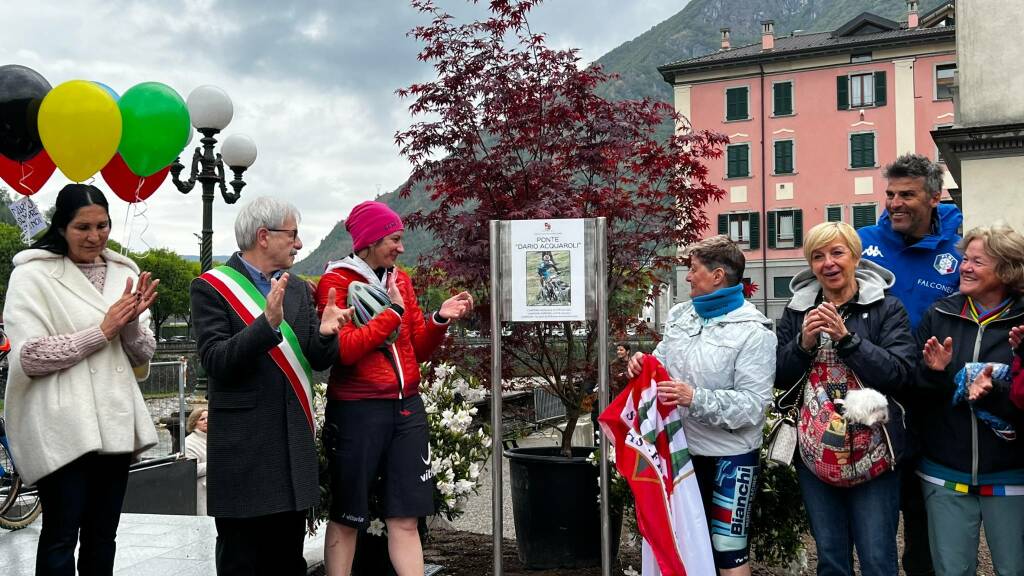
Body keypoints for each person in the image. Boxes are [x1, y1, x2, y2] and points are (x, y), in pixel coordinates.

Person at [3, 183, 160, 575]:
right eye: (83, 227)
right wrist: (103, 331)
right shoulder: (32, 275)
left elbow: (143, 355)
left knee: (103, 533)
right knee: (60, 532)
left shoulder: (126, 271)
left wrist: (129, 327)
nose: (95, 236)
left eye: (102, 225)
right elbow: (31, 356)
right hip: (61, 424)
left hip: (114, 421)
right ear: (61, 227)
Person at [190, 197, 351, 576]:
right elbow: (216, 361)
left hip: (292, 451)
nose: (298, 244)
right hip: (244, 451)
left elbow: (315, 358)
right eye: (292, 235)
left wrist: (327, 333)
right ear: (264, 236)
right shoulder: (211, 288)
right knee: (241, 561)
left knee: (287, 561)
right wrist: (266, 325)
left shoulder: (295, 289)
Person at [316, 200, 473, 576]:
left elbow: (416, 345)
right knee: (348, 515)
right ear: (370, 240)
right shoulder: (336, 283)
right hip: (357, 411)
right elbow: (346, 351)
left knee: (406, 517)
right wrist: (392, 315)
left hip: (406, 408)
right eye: (395, 239)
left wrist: (438, 319)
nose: (401, 248)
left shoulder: (400, 278)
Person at [627, 235, 776, 576]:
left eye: (694, 270)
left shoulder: (756, 332)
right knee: (681, 547)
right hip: (680, 455)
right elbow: (661, 363)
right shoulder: (681, 315)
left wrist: (695, 398)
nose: (689, 277)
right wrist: (642, 363)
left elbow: (753, 406)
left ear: (718, 275)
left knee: (729, 552)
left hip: (731, 458)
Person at [775, 221, 915, 576]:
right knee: (832, 560)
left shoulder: (887, 308)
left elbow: (900, 374)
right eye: (818, 256)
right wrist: (802, 345)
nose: (828, 263)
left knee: (877, 559)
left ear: (855, 256)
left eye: (837, 253)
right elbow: (778, 375)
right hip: (815, 456)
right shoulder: (797, 309)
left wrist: (847, 339)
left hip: (875, 454)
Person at [857, 153, 962, 576]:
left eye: (907, 195)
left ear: (935, 198)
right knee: (876, 513)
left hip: (933, 401)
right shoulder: (863, 243)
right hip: (875, 400)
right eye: (890, 194)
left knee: (924, 516)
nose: (895, 203)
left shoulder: (957, 251)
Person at [914, 224, 1024, 576]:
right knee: (951, 570)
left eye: (977, 261)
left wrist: (993, 393)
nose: (965, 267)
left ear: (1007, 269)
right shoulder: (939, 315)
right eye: (964, 259)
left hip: (1012, 473)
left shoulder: (1022, 323)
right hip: (944, 470)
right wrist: (935, 374)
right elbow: (917, 392)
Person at [185, 407, 209, 515]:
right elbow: (191, 469)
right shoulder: (189, 443)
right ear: (194, 423)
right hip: (203, 491)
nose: (206, 421)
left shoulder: (217, 437)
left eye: (209, 418)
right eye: (202, 419)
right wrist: (216, 464)